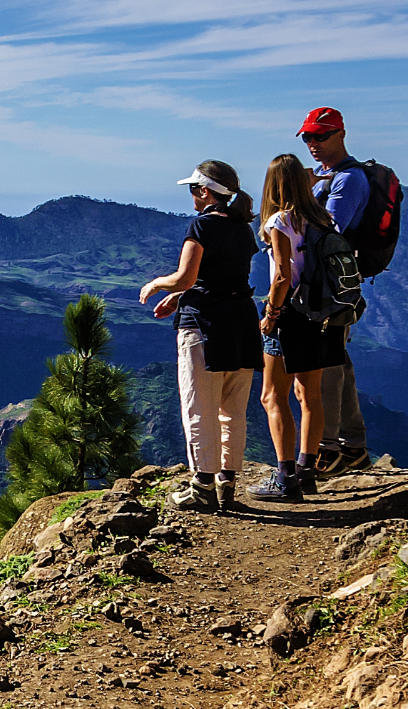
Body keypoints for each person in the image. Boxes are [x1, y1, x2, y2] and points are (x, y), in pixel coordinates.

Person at [140, 162, 260, 511]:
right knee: (233, 408)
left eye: (194, 188)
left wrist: (158, 284)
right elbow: (224, 278)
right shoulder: (242, 228)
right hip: (241, 321)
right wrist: (179, 297)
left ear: (205, 192)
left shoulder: (202, 225)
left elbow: (186, 277)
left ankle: (201, 487)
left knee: (199, 406)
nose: (191, 194)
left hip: (205, 325)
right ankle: (227, 483)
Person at [249, 154, 344, 503]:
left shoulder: (280, 221)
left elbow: (282, 276)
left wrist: (271, 315)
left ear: (273, 185)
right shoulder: (324, 218)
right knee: (310, 395)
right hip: (323, 314)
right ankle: (307, 471)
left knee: (272, 395)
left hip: (291, 315)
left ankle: (285, 476)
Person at [299, 108, 371, 473]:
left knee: (325, 363)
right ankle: (353, 446)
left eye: (320, 136)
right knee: (336, 359)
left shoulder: (347, 181)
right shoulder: (326, 178)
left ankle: (328, 449)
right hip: (327, 286)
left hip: (329, 289)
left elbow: (328, 231)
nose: (312, 143)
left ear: (340, 134)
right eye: (307, 137)